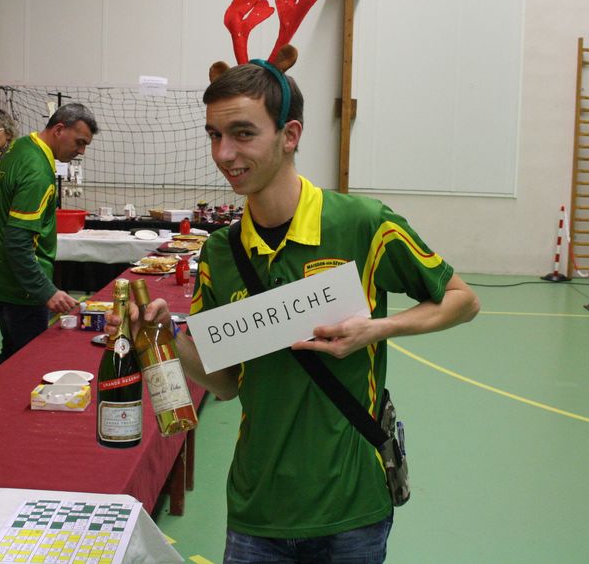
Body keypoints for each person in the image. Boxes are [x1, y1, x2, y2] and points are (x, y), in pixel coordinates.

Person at [172, 63, 481, 562]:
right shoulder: (219, 254)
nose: (224, 154)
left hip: (352, 507)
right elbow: (225, 385)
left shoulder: (363, 224)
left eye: (243, 134)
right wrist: (166, 339)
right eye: (215, 135)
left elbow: (462, 299)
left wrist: (377, 329)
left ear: (290, 135)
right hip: (257, 510)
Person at [0, 103, 99, 371]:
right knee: (27, 365)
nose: (81, 151)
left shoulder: (18, 148)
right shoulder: (37, 171)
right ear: (59, 130)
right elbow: (18, 242)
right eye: (79, 142)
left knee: (12, 351)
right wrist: (45, 290)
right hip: (20, 287)